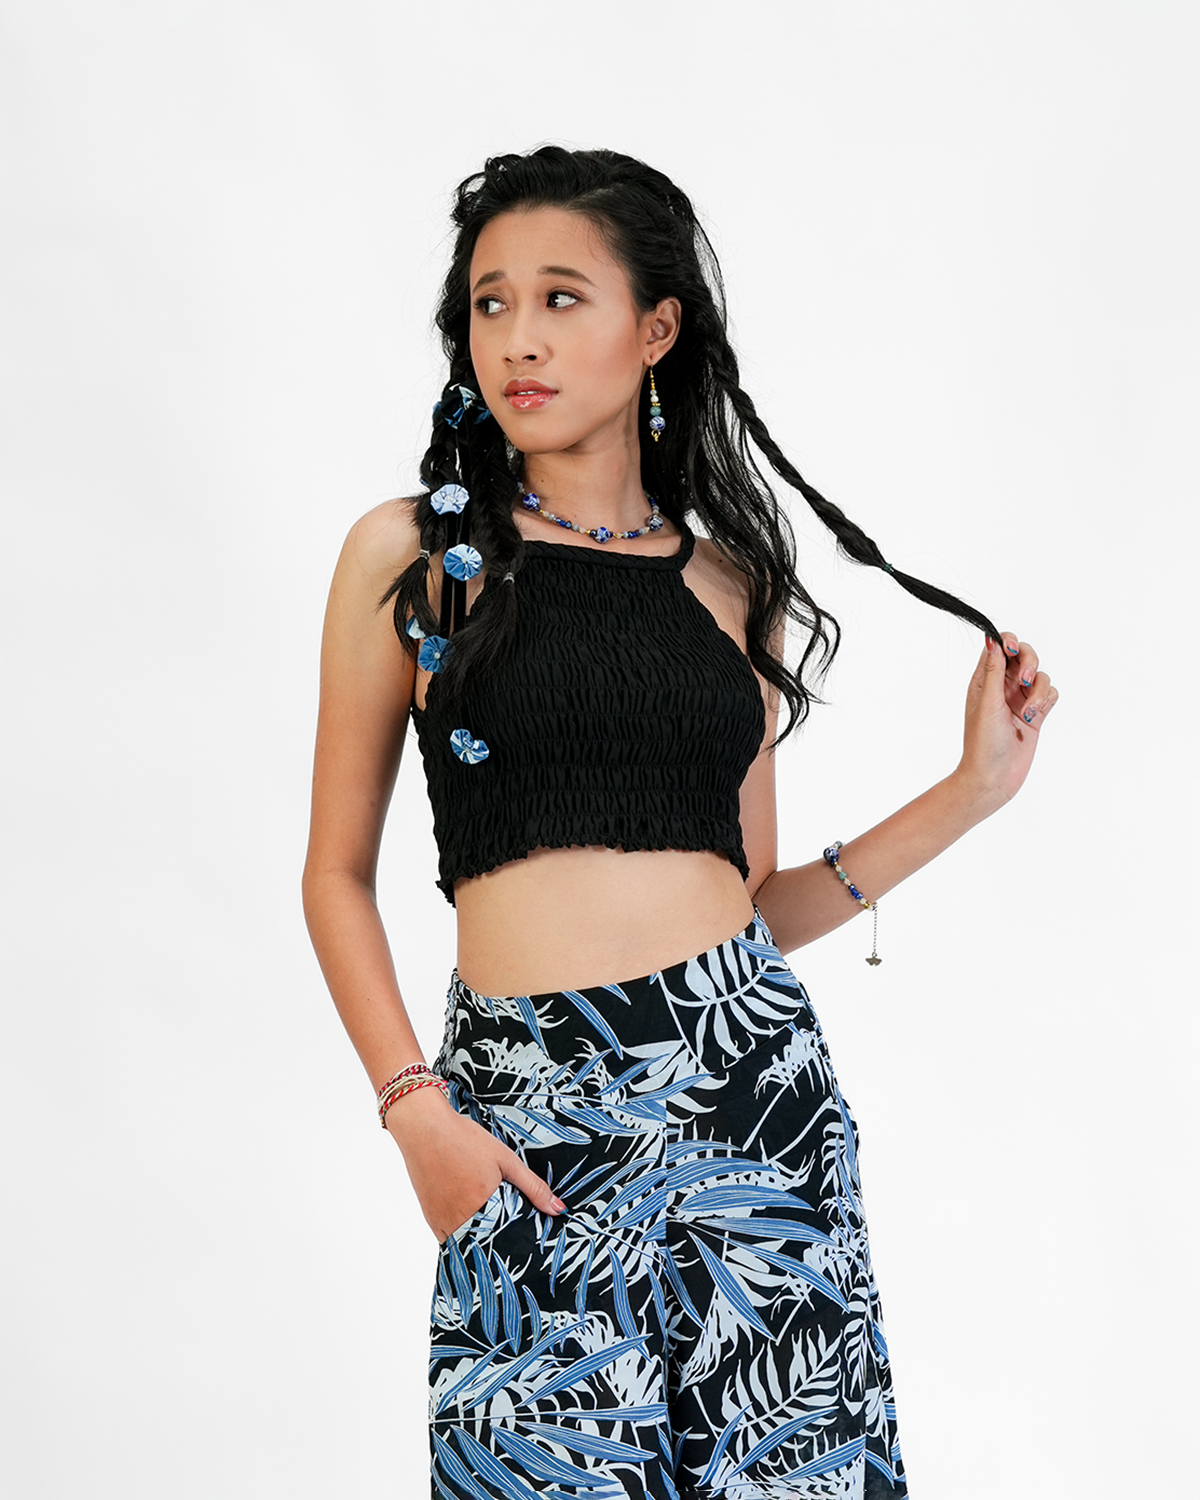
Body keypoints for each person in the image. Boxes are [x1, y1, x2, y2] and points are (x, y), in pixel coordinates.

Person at [302, 145, 1056, 1500]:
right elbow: (334, 874)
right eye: (488, 303)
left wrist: (972, 790)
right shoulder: (415, 557)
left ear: (657, 328)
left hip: (749, 1107)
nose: (517, 339)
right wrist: (415, 1109)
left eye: (560, 298)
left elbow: (752, 902)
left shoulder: (726, 585)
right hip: (524, 1122)